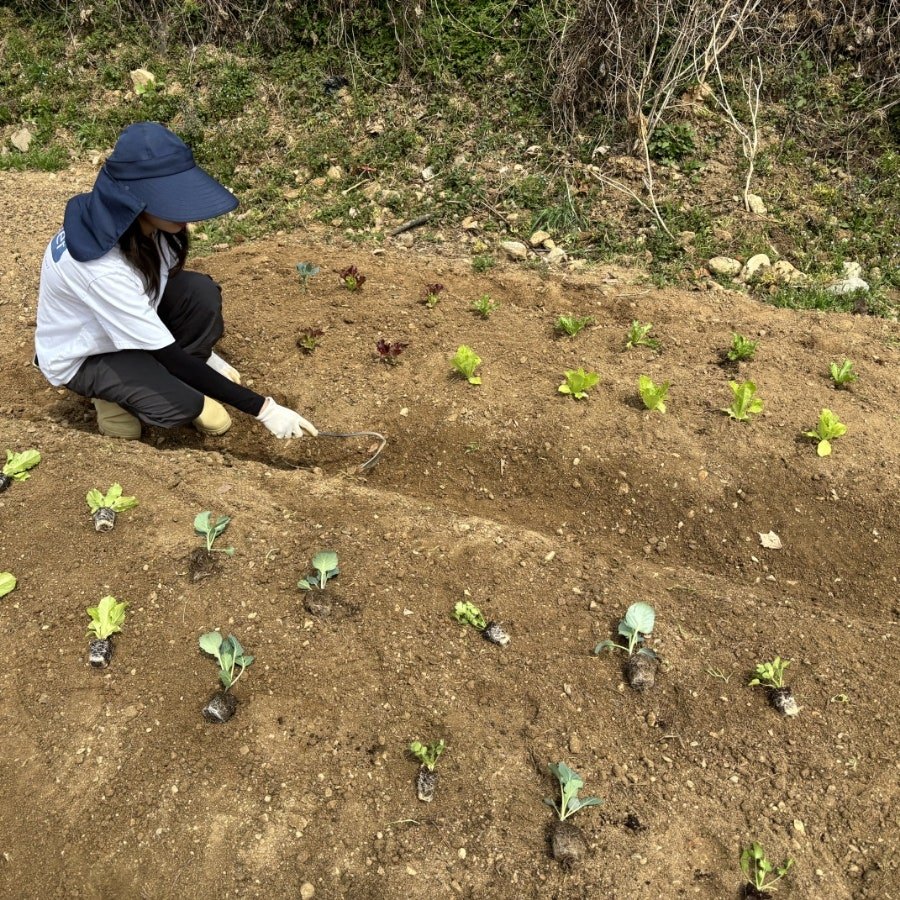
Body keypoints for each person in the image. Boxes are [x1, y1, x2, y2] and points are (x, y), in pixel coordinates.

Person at [34, 121, 317, 441]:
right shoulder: (101, 269)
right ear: (131, 199)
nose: (184, 210)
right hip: (86, 355)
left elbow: (161, 288)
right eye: (169, 198)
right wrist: (265, 409)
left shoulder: (147, 229)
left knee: (199, 293)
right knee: (181, 407)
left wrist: (206, 358)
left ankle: (161, 375)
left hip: (121, 325)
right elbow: (167, 352)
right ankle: (112, 396)